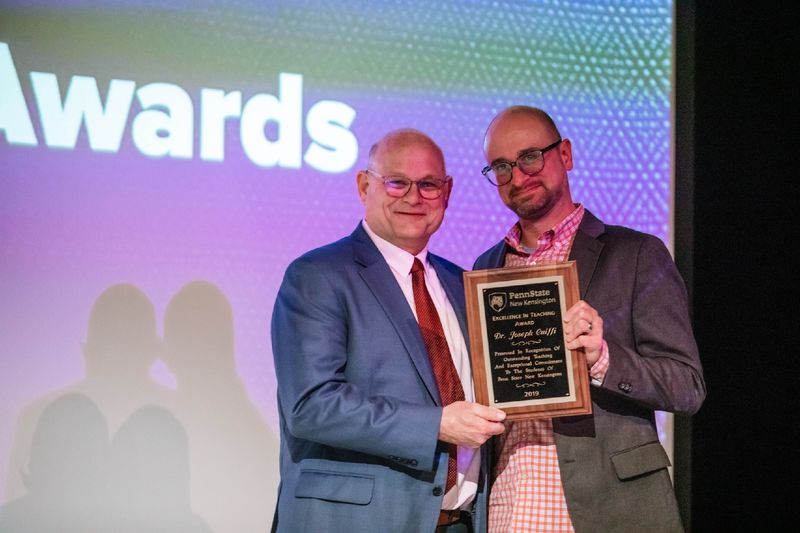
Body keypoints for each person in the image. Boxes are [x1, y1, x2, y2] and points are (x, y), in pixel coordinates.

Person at [474, 106, 706, 533]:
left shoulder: (636, 254)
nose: (518, 175)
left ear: (565, 154)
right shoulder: (487, 268)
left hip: (607, 506)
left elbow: (687, 387)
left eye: (530, 157)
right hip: (509, 502)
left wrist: (602, 358)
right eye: (502, 166)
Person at [271, 128, 506, 533]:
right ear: (365, 186)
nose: (413, 197)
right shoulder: (318, 275)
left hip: (463, 523)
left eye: (429, 184)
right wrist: (436, 424)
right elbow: (310, 406)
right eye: (397, 182)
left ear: (447, 192)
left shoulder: (462, 284)